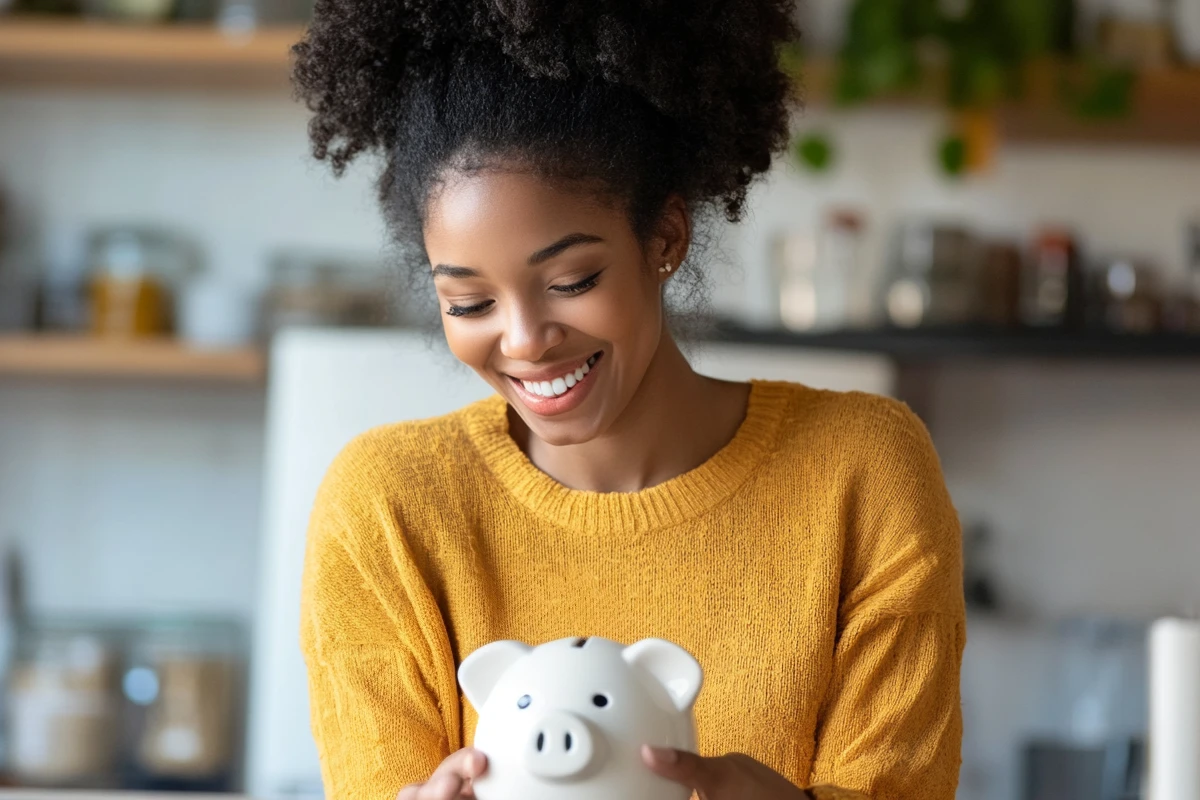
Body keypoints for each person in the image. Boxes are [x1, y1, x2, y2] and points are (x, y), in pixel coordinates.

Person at [293, 1, 966, 798]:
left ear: (665, 239)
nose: (524, 340)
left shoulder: (862, 472)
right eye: (470, 303)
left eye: (572, 281)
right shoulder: (387, 508)